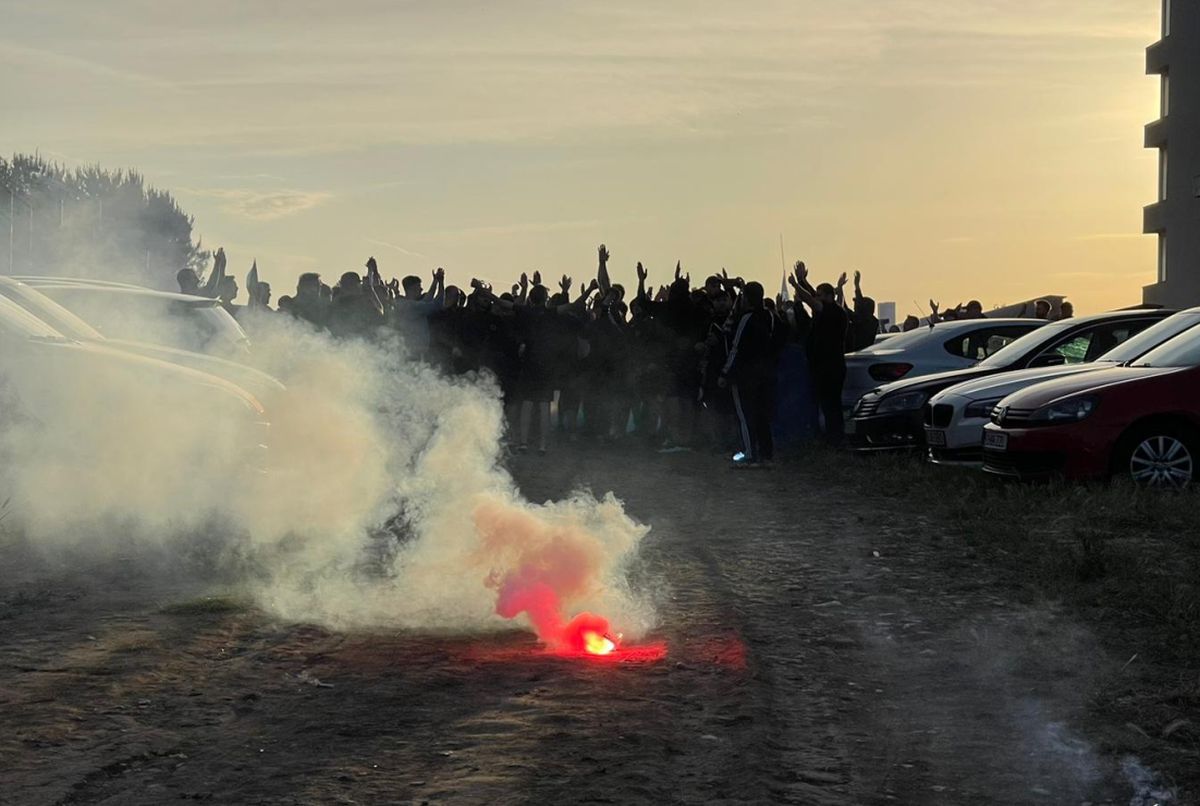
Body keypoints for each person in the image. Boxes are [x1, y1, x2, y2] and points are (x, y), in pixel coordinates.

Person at [718, 281, 781, 466]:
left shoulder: (746, 319)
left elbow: (735, 348)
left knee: (745, 416)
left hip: (746, 375)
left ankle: (749, 454)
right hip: (766, 373)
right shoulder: (770, 316)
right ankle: (766, 455)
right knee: (762, 415)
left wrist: (724, 373)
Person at [791, 262, 847, 446]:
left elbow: (811, 301)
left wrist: (796, 284)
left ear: (830, 296)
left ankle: (835, 440)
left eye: (822, 295)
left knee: (831, 406)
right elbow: (814, 297)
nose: (818, 298)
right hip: (823, 366)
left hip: (830, 366)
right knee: (825, 404)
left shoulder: (833, 312)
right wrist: (802, 280)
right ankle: (829, 438)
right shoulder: (828, 310)